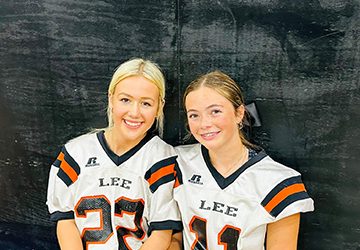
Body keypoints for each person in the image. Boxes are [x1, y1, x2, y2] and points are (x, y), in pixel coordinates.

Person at [46, 58, 182, 250]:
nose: (134, 112)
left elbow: (161, 234)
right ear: (111, 99)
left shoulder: (163, 159)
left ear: (159, 107)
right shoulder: (76, 153)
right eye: (125, 100)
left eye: (146, 103)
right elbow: (65, 220)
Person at [170, 71, 314, 250]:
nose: (204, 124)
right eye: (194, 115)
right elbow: (171, 236)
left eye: (215, 111)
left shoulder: (278, 182)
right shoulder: (177, 162)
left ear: (239, 113)